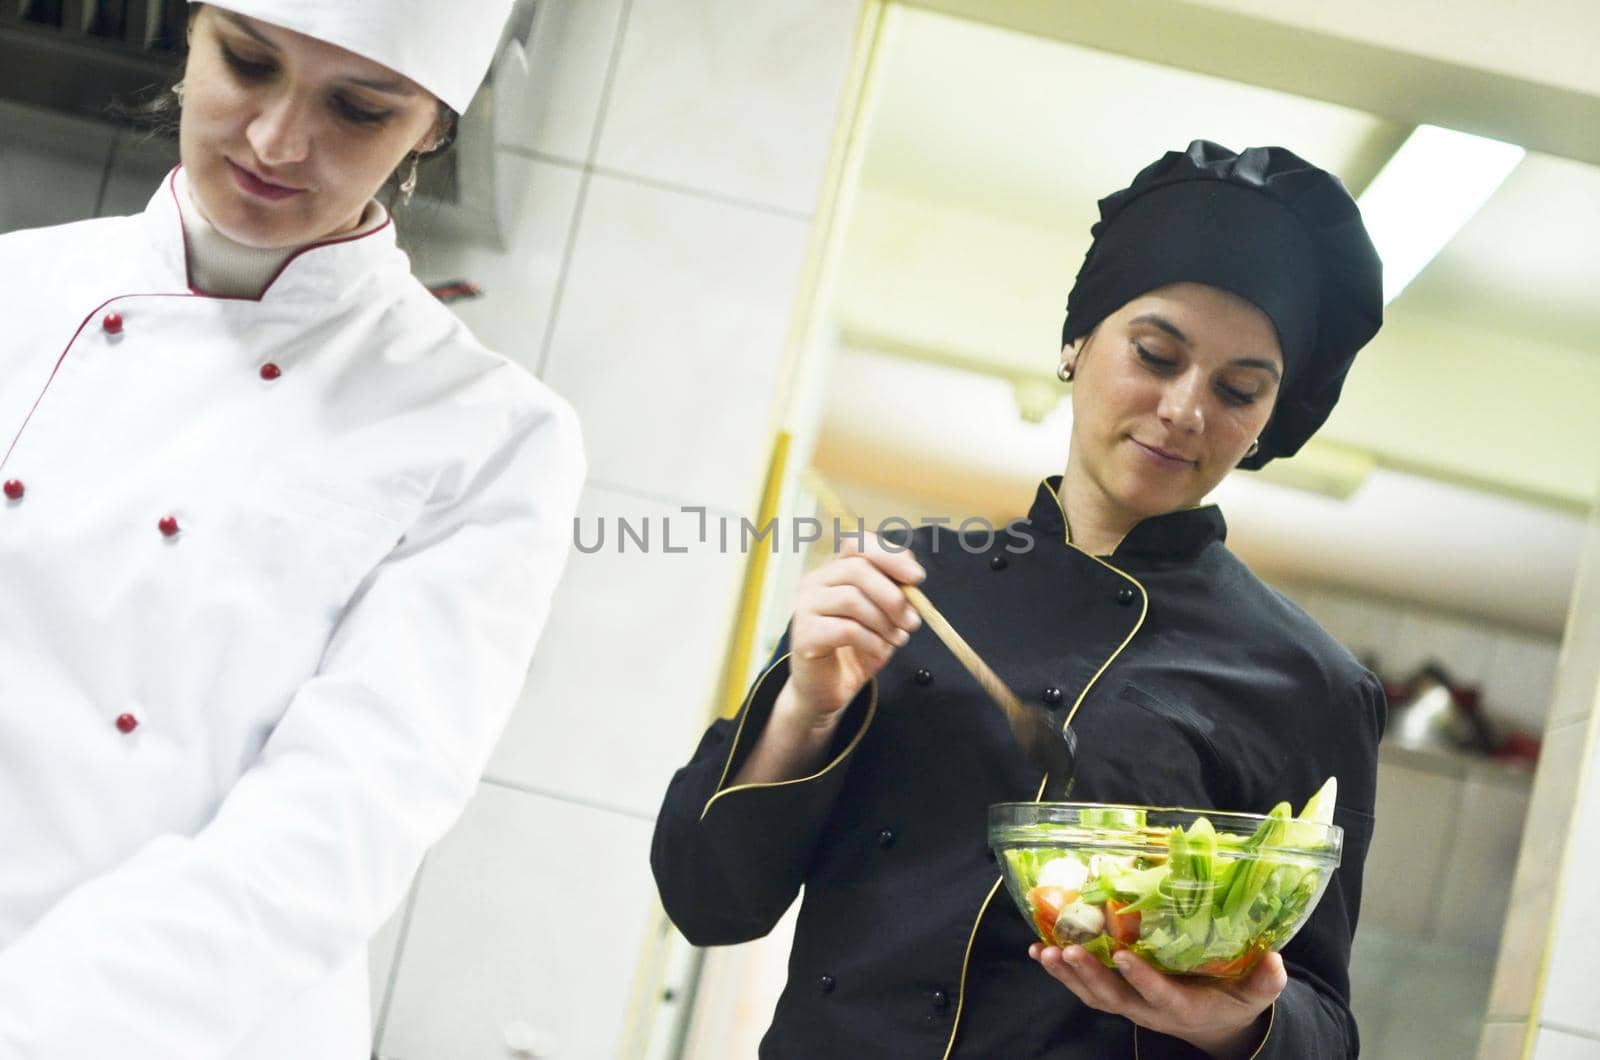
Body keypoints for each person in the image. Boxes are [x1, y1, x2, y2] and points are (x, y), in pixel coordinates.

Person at [652, 141, 1386, 1058]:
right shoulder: (910, 584)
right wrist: (804, 709)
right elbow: (705, 898)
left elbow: (1327, 1029)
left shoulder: (1306, 683)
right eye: (1157, 354)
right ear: (1078, 342)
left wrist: (1241, 1021)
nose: (1186, 409)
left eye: (1240, 390)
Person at [0, 2, 584, 1057]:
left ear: (432, 128)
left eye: (358, 109)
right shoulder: (15, 290)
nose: (276, 140)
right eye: (248, 63)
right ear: (187, 35)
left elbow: (337, 826)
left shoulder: (489, 435)